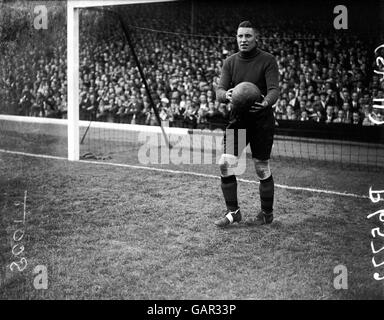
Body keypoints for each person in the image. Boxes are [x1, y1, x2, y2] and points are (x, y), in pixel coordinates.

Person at [214, 21, 279, 227]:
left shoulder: (268, 60)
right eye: (240, 36)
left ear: (255, 38)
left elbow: (274, 90)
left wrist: (266, 102)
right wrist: (227, 94)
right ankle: (233, 212)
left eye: (248, 36)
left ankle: (266, 213)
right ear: (236, 38)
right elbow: (219, 91)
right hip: (238, 121)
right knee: (225, 164)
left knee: (261, 168)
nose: (243, 40)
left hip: (261, 122)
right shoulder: (230, 62)